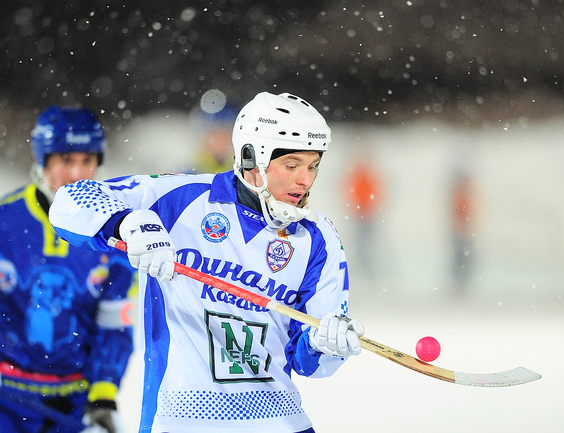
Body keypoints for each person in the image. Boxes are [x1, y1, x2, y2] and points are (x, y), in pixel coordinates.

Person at [49, 92, 365, 433]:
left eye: (313, 165)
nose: (305, 179)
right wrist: (126, 223)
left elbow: (311, 365)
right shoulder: (179, 198)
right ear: (251, 157)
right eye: (292, 165)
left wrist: (325, 345)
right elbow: (70, 200)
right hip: (180, 423)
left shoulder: (320, 238)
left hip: (281, 424)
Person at [0, 105, 136, 433]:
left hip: (72, 404)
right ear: (42, 159)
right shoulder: (5, 223)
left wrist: (104, 393)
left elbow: (114, 325)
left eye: (86, 161)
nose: (76, 174)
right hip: (5, 397)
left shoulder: (115, 237)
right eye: (65, 160)